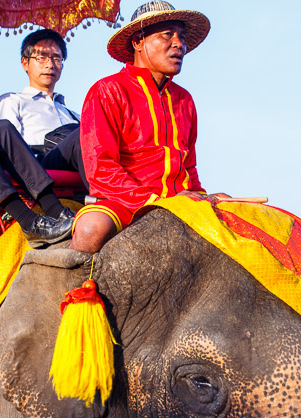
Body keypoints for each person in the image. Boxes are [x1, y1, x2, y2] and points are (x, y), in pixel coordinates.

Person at [70, 1, 212, 254]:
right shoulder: (107, 91)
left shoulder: (185, 99)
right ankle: (74, 293)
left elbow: (189, 165)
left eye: (182, 37)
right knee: (91, 229)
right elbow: (102, 168)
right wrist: (153, 203)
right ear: (138, 42)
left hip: (180, 201)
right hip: (123, 202)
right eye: (167, 34)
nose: (179, 44)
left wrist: (202, 195)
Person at [0, 29, 86, 184]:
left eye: (56, 59)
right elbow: (6, 146)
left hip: (77, 160)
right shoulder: (12, 102)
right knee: (84, 136)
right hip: (38, 165)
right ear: (25, 63)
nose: (50, 65)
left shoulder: (72, 114)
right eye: (42, 58)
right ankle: (106, 200)